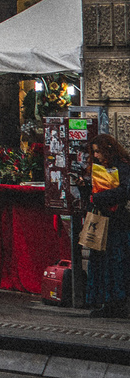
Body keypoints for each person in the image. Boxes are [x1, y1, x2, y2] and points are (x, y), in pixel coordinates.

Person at [83, 132, 128, 318]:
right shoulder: (100, 168)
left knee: (115, 262)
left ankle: (116, 302)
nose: (96, 156)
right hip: (103, 219)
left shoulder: (122, 166)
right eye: (94, 152)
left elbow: (125, 190)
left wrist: (98, 197)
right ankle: (105, 300)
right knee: (101, 261)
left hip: (117, 221)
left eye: (98, 152)